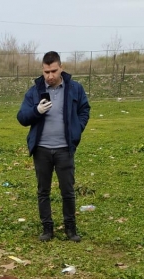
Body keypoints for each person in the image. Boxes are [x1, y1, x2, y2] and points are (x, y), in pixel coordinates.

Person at [17, 51, 91, 242]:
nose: (50, 76)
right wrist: (36, 110)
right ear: (42, 71)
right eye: (46, 72)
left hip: (64, 148)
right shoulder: (35, 91)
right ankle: (47, 229)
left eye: (54, 71)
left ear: (61, 68)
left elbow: (85, 110)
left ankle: (70, 229)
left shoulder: (74, 89)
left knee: (67, 190)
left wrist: (77, 128)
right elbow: (22, 117)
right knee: (43, 191)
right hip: (41, 149)